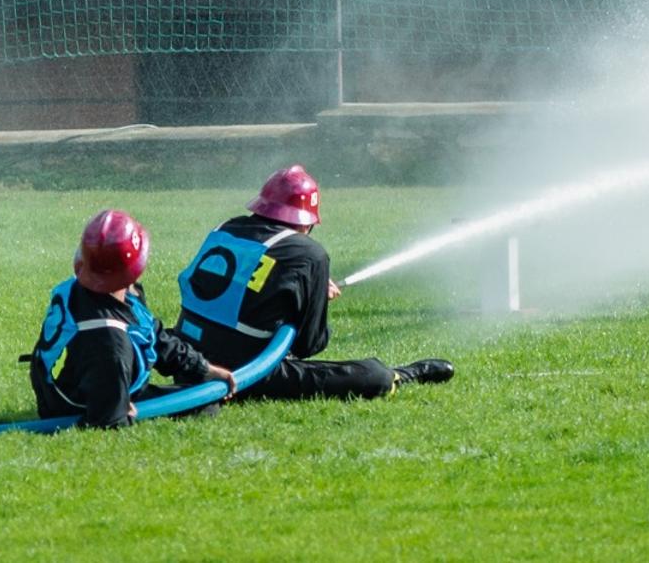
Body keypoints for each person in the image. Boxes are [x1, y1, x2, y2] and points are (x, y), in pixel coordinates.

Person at [172, 164, 454, 400]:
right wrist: (312, 295)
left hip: (185, 359)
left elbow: (247, 285)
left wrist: (307, 288)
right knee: (372, 376)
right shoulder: (309, 254)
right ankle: (402, 374)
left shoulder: (228, 227)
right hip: (245, 373)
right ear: (306, 221)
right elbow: (310, 345)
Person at [27, 209, 237, 428]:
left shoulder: (113, 292)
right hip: (85, 401)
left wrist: (202, 368)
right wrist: (117, 405)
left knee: (203, 391)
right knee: (206, 402)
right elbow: (106, 424)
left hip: (91, 379)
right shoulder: (109, 342)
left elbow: (152, 334)